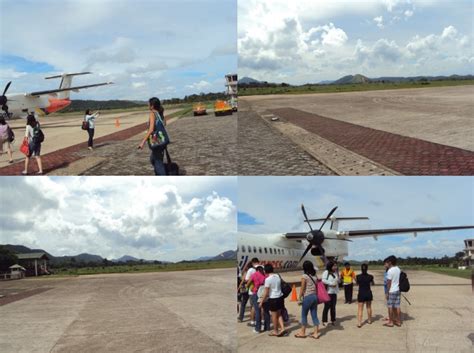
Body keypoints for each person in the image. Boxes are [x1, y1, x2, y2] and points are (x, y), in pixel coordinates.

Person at [138, 97, 167, 175]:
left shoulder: (152, 114)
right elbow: (164, 124)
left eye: (148, 103)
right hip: (162, 141)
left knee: (158, 163)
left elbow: (151, 130)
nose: (147, 104)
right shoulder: (159, 112)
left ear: (152, 106)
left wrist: (142, 142)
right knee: (153, 159)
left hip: (157, 142)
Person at [259, 264, 286, 337]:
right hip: (280, 297)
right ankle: (282, 328)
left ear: (265, 271)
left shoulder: (268, 279)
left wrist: (261, 301)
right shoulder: (277, 276)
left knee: (274, 316)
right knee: (279, 314)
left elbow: (266, 292)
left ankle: (275, 331)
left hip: (273, 298)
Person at [295, 261, 320, 339]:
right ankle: (316, 333)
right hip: (315, 297)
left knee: (304, 315)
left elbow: (302, 288)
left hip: (308, 297)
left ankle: (303, 332)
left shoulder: (304, 276)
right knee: (314, 315)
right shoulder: (315, 275)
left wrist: (299, 298)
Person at [384, 255, 402, 327]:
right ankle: (398, 321)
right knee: (397, 306)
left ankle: (390, 322)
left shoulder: (390, 271)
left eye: (387, 262)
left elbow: (389, 283)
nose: (387, 263)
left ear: (390, 262)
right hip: (397, 290)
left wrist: (387, 292)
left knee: (390, 306)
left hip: (392, 291)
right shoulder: (398, 269)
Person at [356, 263, 374, 327]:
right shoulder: (371, 276)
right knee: (368, 307)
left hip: (361, 293)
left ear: (361, 269)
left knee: (360, 308)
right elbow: (372, 284)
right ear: (367, 269)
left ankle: (359, 323)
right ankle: (369, 320)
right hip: (368, 292)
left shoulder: (358, 276)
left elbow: (357, 284)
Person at [249, 265, 266, 333]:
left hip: (256, 293)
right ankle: (265, 326)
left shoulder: (254, 275)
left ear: (257, 270)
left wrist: (251, 287)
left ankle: (257, 328)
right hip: (263, 294)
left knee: (257, 310)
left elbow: (248, 283)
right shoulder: (264, 276)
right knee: (263, 309)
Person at [322, 261, 339, 326]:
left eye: (336, 266)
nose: (335, 267)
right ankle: (324, 320)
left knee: (333, 307)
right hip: (328, 292)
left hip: (334, 292)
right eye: (334, 266)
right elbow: (323, 280)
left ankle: (333, 320)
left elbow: (337, 280)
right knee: (327, 307)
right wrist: (331, 284)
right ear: (330, 266)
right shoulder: (326, 272)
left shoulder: (335, 273)